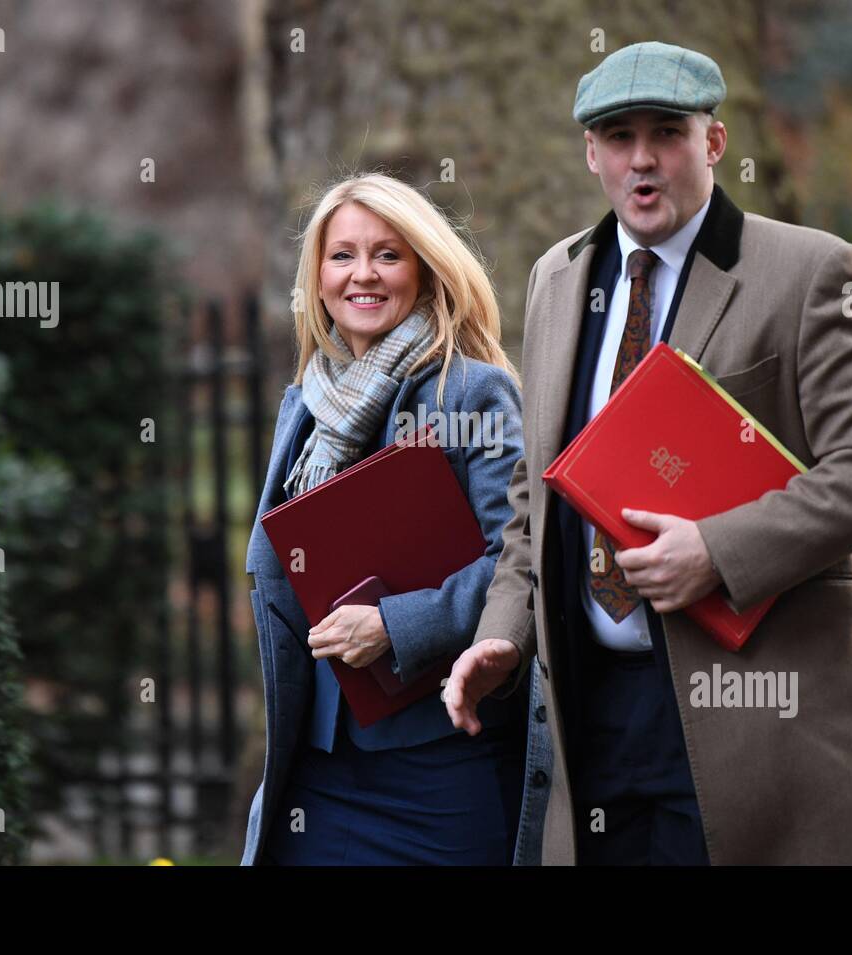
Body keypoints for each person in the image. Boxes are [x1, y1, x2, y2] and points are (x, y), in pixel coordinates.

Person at [446, 41, 852, 865]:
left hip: (752, 724)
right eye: (618, 135)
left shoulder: (810, 270)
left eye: (666, 133)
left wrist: (719, 550)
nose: (643, 159)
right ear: (590, 152)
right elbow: (536, 493)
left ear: (713, 142)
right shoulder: (556, 277)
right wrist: (504, 631)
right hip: (592, 722)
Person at [242, 172, 533, 865]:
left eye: (387, 255)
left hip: (436, 766)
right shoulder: (306, 405)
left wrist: (394, 624)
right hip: (316, 768)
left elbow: (516, 559)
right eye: (342, 256)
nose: (362, 275)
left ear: (424, 271)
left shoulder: (470, 389)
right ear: (317, 277)